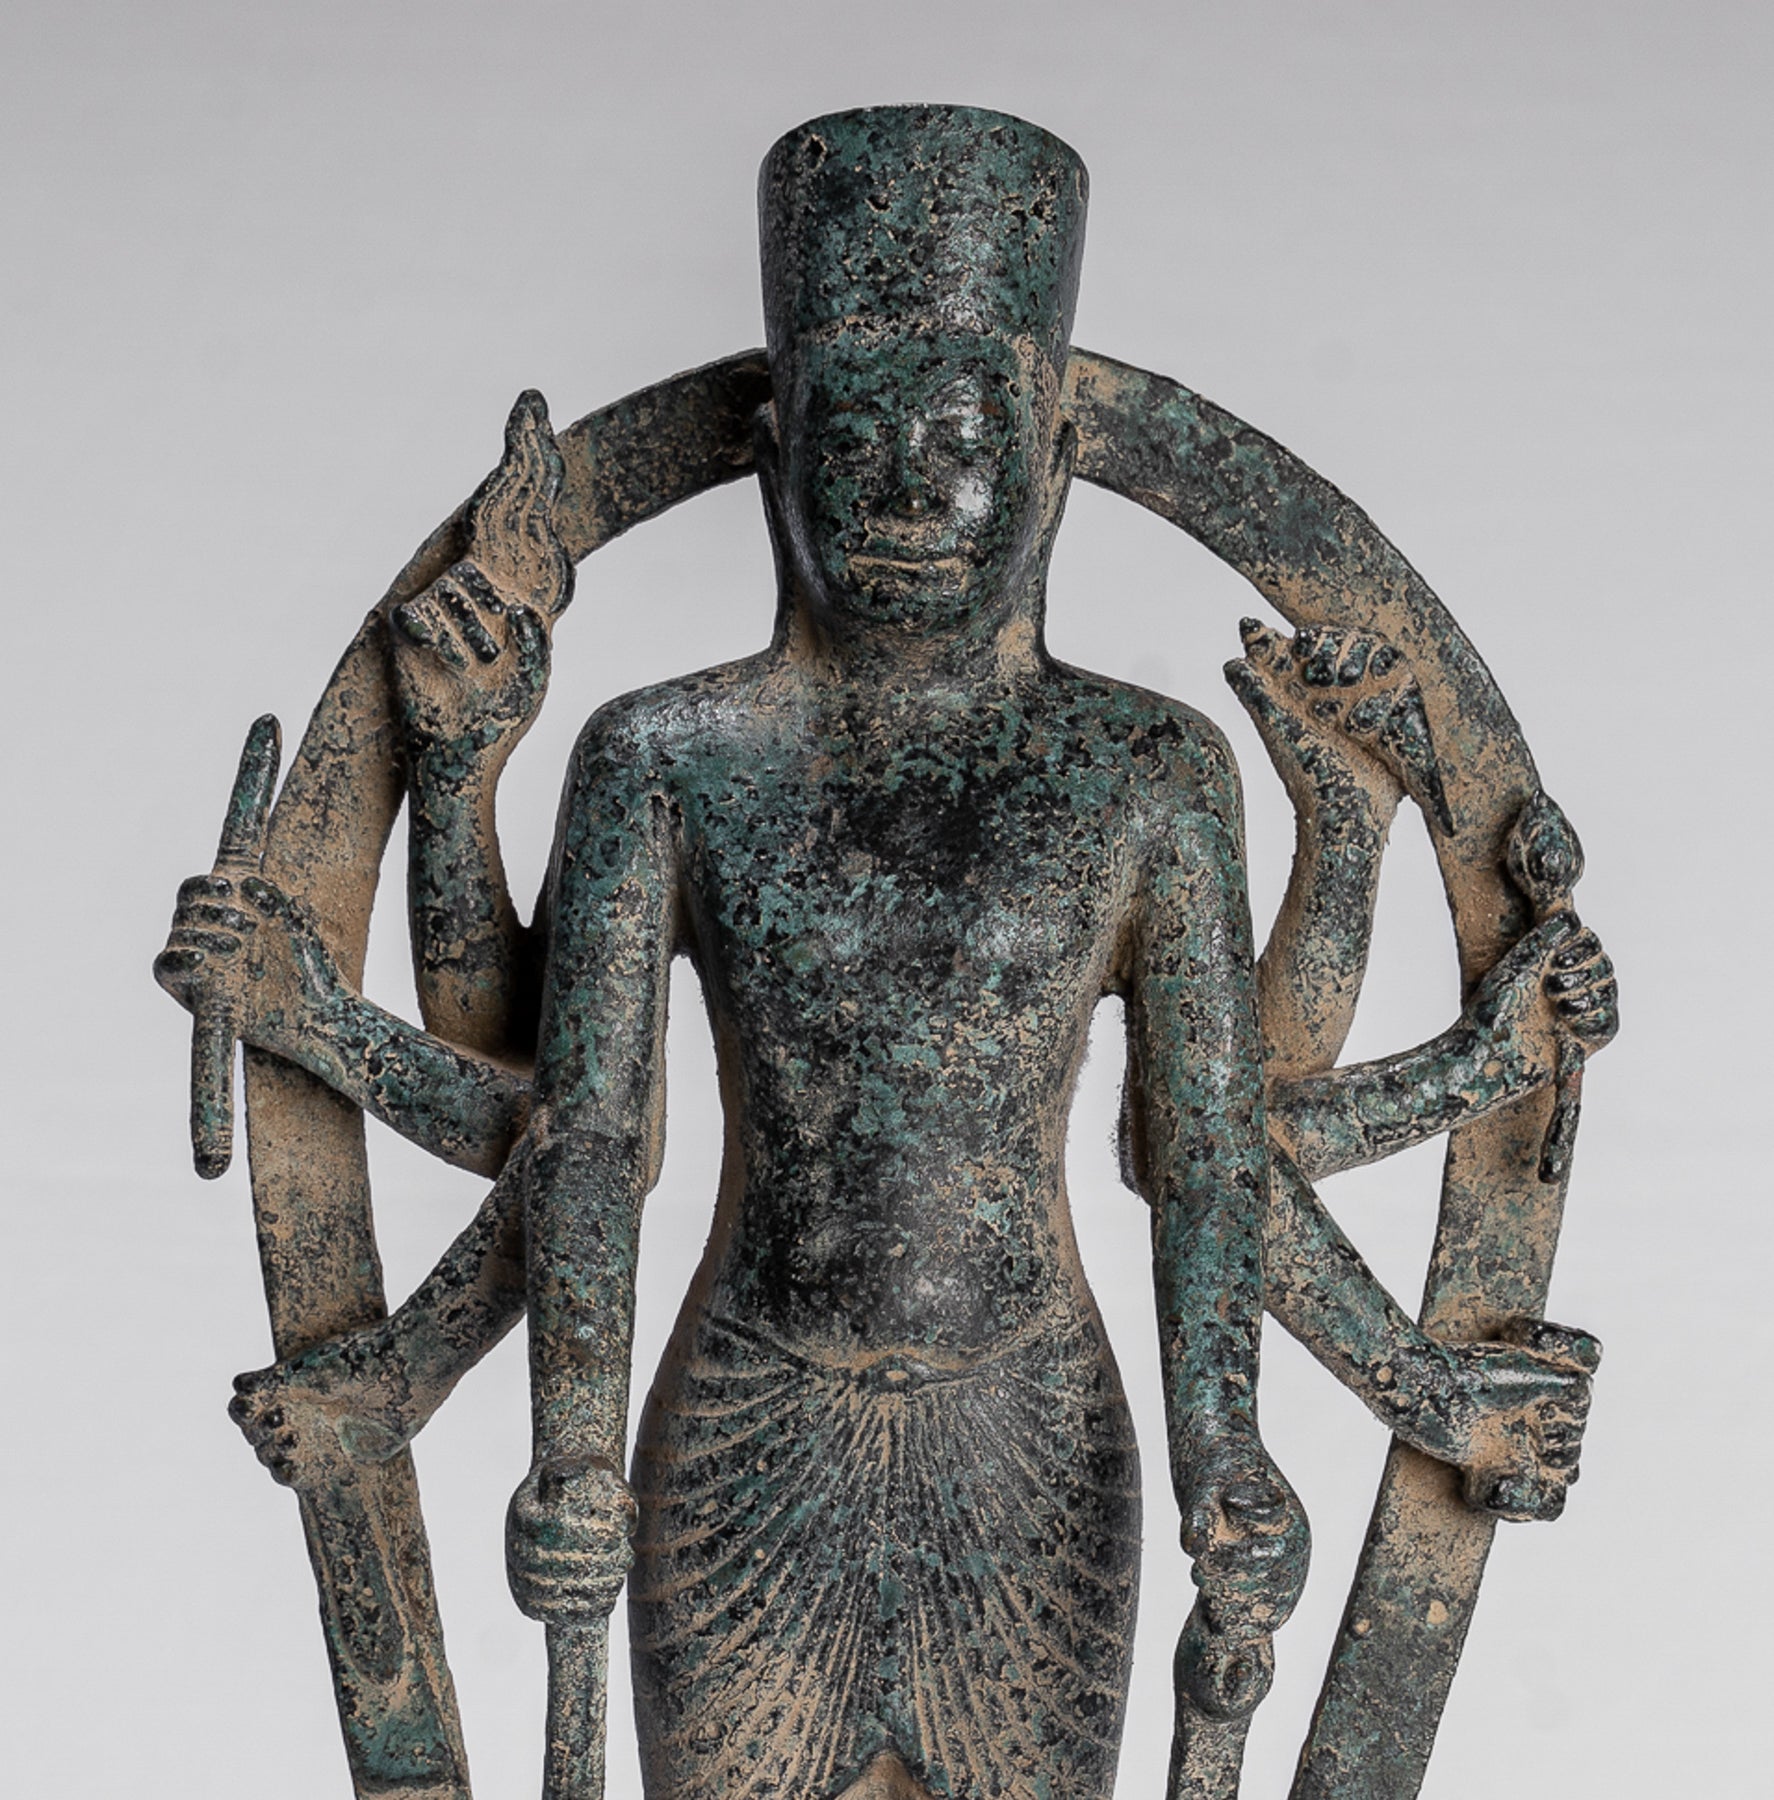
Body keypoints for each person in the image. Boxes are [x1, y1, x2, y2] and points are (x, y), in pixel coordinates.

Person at [158, 108, 1614, 1800]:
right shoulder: (669, 757)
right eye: (859, 435)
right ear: (776, 458)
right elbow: (578, 1128)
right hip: (746, 1421)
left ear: (1050, 462)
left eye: (963, 437)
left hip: (1028, 1435)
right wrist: (569, 1457)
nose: (913, 489)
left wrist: (1227, 1452)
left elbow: (1215, 1155)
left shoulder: (1147, 774)